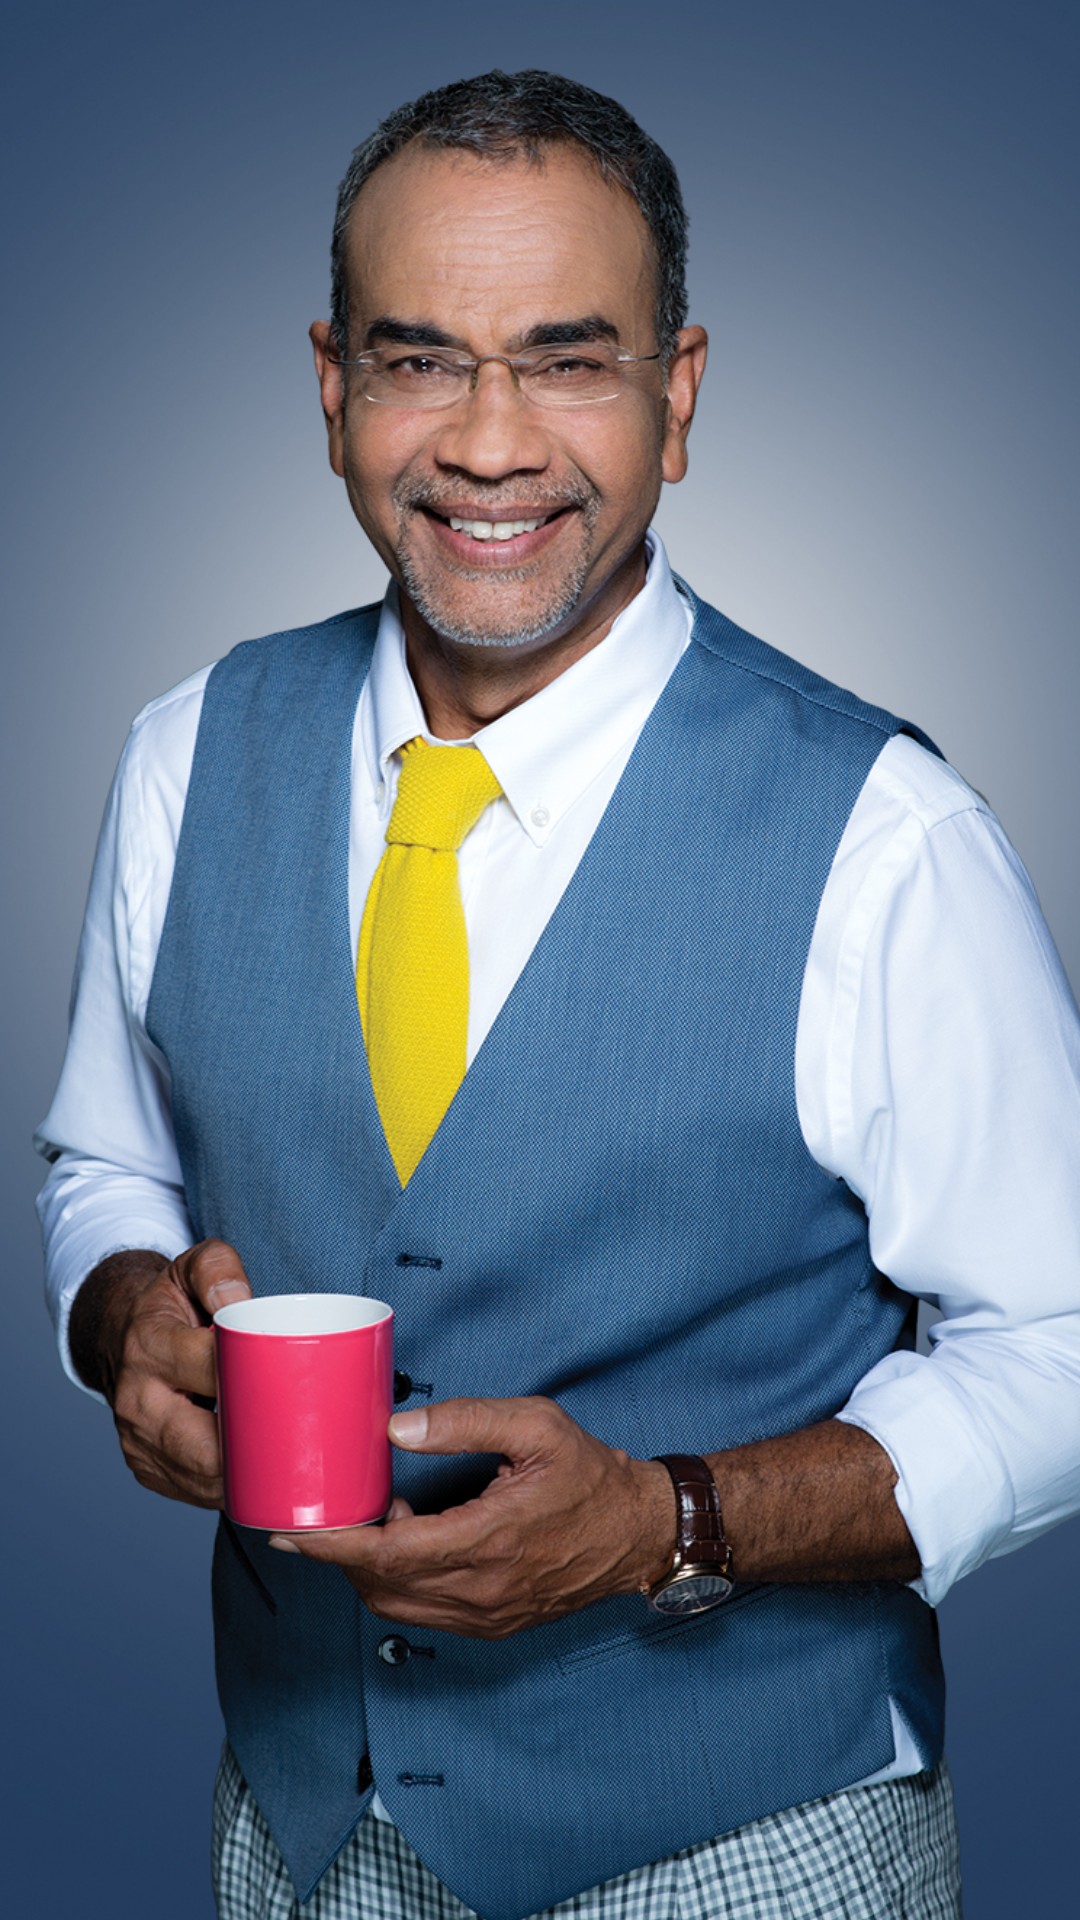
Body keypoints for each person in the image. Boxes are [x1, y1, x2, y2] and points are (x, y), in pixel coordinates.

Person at [36, 67, 1080, 1920]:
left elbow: (1064, 1344)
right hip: (293, 1827)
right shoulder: (187, 756)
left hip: (747, 1849)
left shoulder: (887, 840)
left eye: (569, 361)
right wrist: (127, 1320)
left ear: (678, 398)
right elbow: (105, 1172)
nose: (491, 442)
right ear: (333, 390)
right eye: (420, 359)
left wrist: (670, 1523)